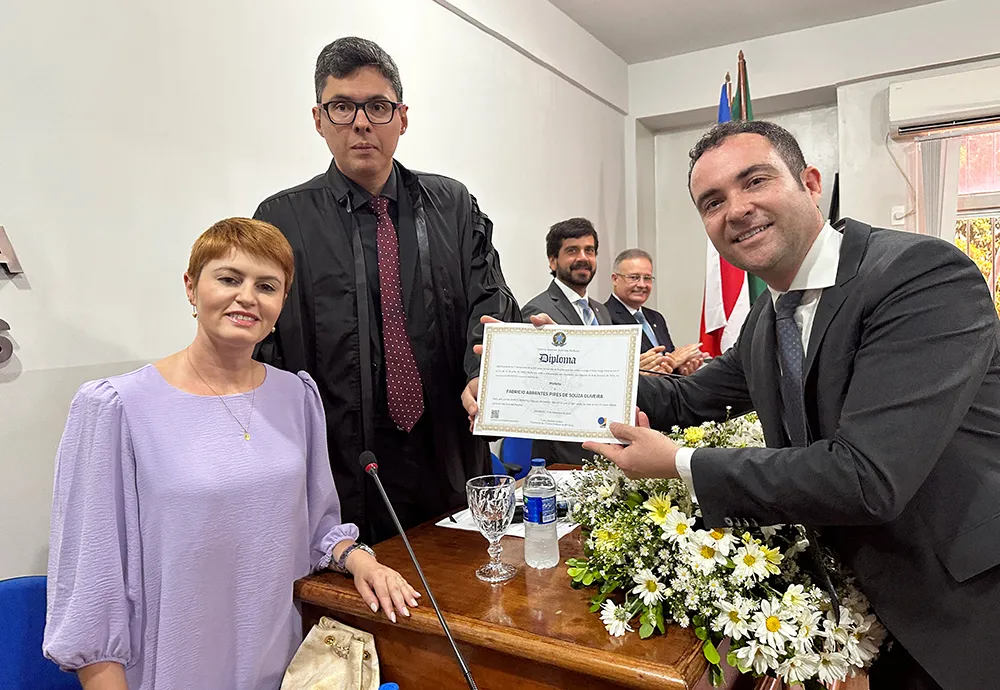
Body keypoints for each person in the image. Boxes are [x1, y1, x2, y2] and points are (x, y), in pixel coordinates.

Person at [582, 120, 1000, 690]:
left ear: (809, 183)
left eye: (755, 180)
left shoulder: (917, 275)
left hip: (959, 604)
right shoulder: (767, 315)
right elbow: (691, 395)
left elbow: (866, 477)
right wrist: (562, 369)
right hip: (866, 601)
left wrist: (680, 462)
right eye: (712, 202)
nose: (736, 209)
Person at [44, 219, 419, 690]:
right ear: (190, 286)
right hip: (175, 663)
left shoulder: (297, 397)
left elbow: (317, 528)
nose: (247, 297)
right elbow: (91, 579)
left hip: (282, 662)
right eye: (228, 278)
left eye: (267, 285)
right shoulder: (117, 406)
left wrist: (361, 559)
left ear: (282, 302)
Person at [252, 37, 519, 544]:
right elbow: (263, 346)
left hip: (445, 444)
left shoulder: (453, 205)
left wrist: (483, 375)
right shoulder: (281, 220)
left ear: (402, 117)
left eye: (377, 106)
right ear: (318, 118)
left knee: (464, 591)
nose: (361, 123)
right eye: (342, 107)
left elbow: (491, 299)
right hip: (340, 459)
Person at [519, 217, 613, 465]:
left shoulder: (601, 311)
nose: (583, 257)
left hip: (605, 439)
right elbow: (540, 382)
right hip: (562, 451)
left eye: (589, 251)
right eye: (572, 250)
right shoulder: (537, 311)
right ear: (553, 260)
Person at [603, 248, 706, 376]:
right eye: (634, 277)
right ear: (615, 279)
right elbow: (612, 373)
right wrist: (672, 361)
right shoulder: (603, 317)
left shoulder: (656, 318)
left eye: (647, 278)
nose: (642, 284)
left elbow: (667, 369)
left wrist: (681, 369)